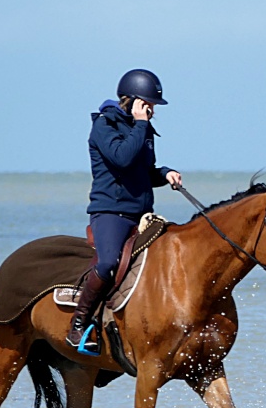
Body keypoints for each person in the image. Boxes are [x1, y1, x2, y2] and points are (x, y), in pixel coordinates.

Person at [66, 68, 183, 353]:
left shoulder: (143, 129)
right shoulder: (104, 126)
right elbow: (121, 159)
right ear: (130, 101)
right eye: (147, 104)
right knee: (107, 264)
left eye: (152, 106)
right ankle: (78, 324)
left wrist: (165, 174)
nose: (151, 110)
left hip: (142, 213)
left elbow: (140, 172)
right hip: (111, 213)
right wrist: (141, 124)